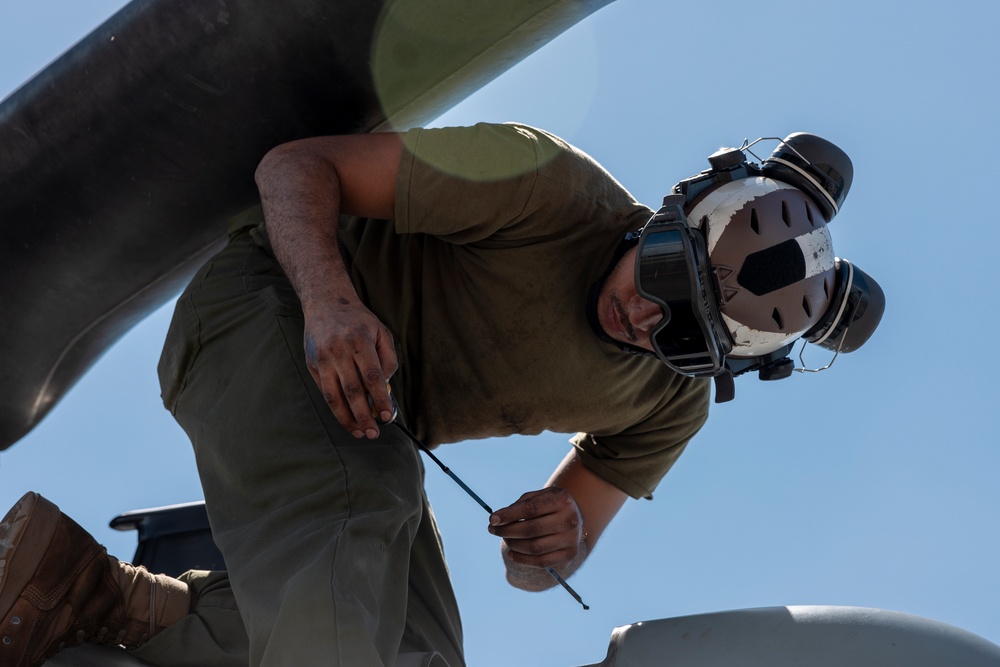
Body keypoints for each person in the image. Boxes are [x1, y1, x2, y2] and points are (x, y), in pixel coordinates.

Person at [0, 123, 881, 667]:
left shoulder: (667, 403)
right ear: (667, 213)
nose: (645, 314)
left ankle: (97, 597)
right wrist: (331, 300)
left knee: (418, 653)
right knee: (366, 508)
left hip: (370, 424)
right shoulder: (547, 187)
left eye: (681, 335)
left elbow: (553, 556)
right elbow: (293, 168)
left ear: (712, 363)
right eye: (660, 274)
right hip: (259, 310)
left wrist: (554, 542)